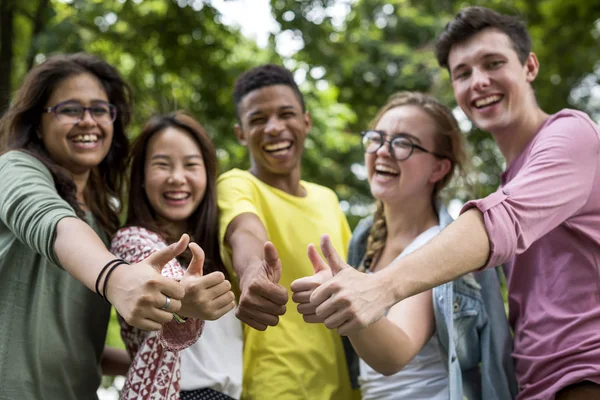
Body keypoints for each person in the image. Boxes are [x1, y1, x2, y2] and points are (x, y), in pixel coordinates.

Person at [304, 6, 600, 400]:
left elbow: (502, 220)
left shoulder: (571, 134)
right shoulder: (512, 177)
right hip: (536, 383)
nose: (478, 81)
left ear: (529, 67)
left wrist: (381, 287)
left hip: (585, 372)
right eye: (463, 73)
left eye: (493, 63)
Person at [292, 92, 517, 400]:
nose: (383, 151)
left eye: (403, 143)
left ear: (438, 169)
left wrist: (344, 298)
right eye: (376, 138)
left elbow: (393, 356)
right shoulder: (365, 238)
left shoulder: (439, 244)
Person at [0, 53, 191, 400]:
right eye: (70, 110)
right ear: (38, 124)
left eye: (100, 110)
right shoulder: (14, 168)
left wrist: (165, 362)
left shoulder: (104, 221)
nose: (88, 121)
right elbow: (51, 222)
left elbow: (81, 350)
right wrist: (116, 278)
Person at [217, 64, 354, 399]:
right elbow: (245, 233)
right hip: (274, 384)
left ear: (306, 121)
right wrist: (253, 273)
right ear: (241, 133)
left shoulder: (328, 199)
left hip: (345, 386)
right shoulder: (236, 183)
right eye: (258, 119)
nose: (274, 128)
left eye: (286, 114)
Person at [110, 112, 239, 399]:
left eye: (191, 164)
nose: (177, 178)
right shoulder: (132, 241)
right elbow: (163, 281)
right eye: (162, 165)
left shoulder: (221, 252)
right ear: (141, 178)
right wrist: (182, 294)